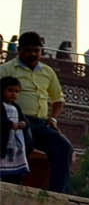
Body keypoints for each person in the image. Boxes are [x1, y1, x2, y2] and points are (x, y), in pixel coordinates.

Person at [2, 33, 70, 193]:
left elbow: (58, 99)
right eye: (28, 50)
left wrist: (53, 118)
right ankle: (11, 187)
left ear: (41, 51)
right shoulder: (6, 70)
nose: (32, 54)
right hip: (16, 122)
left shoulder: (47, 72)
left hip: (41, 123)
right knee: (24, 143)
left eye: (36, 50)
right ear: (19, 50)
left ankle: (57, 194)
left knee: (63, 147)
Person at [0, 76, 28, 184]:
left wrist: (23, 123)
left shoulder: (16, 107)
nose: (13, 94)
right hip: (3, 141)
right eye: (10, 90)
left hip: (15, 143)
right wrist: (11, 125)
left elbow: (24, 120)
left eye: (16, 91)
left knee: (14, 169)